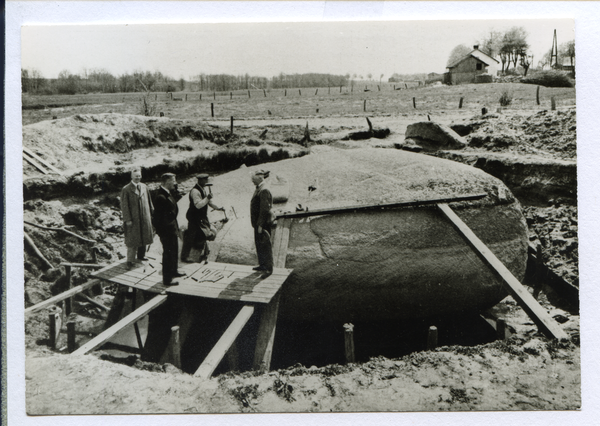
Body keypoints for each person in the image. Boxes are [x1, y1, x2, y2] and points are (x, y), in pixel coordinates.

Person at [181, 174, 225, 263]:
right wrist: (207, 198)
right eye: (205, 180)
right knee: (191, 236)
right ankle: (184, 256)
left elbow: (209, 202)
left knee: (204, 234)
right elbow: (198, 205)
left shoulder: (202, 190)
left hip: (201, 217)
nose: (206, 182)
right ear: (200, 180)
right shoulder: (195, 191)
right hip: (194, 218)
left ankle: (204, 254)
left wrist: (218, 208)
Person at [152, 173, 185, 286]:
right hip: (166, 231)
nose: (175, 183)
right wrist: (163, 232)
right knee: (168, 254)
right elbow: (158, 218)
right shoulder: (160, 197)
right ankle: (167, 280)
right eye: (173, 180)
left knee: (174, 251)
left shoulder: (167, 193)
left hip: (172, 228)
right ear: (167, 182)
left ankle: (174, 271)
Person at [120, 168, 154, 268]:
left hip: (144, 217)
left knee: (144, 236)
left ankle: (141, 256)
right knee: (132, 240)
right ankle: (130, 260)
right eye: (136, 176)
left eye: (139, 176)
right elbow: (124, 206)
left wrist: (151, 214)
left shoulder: (144, 187)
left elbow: (149, 201)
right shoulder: (126, 189)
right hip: (133, 219)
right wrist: (128, 219)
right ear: (131, 177)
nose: (137, 178)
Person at [250, 170, 274, 277]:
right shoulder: (259, 188)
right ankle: (262, 265)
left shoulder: (264, 190)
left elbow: (264, 209)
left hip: (263, 223)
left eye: (253, 179)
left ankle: (268, 269)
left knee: (265, 245)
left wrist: (260, 225)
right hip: (258, 223)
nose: (252, 181)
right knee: (259, 244)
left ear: (260, 178)